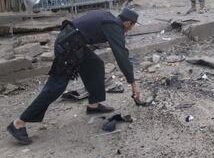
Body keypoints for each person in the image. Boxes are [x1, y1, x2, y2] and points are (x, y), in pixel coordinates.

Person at [6, 8, 140, 145]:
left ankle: (93, 105)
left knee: (95, 64)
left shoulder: (108, 17)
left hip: (74, 42)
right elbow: (121, 56)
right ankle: (18, 123)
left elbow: (87, 28)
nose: (131, 29)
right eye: (132, 25)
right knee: (56, 86)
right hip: (68, 46)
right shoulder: (114, 27)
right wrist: (133, 83)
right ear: (128, 23)